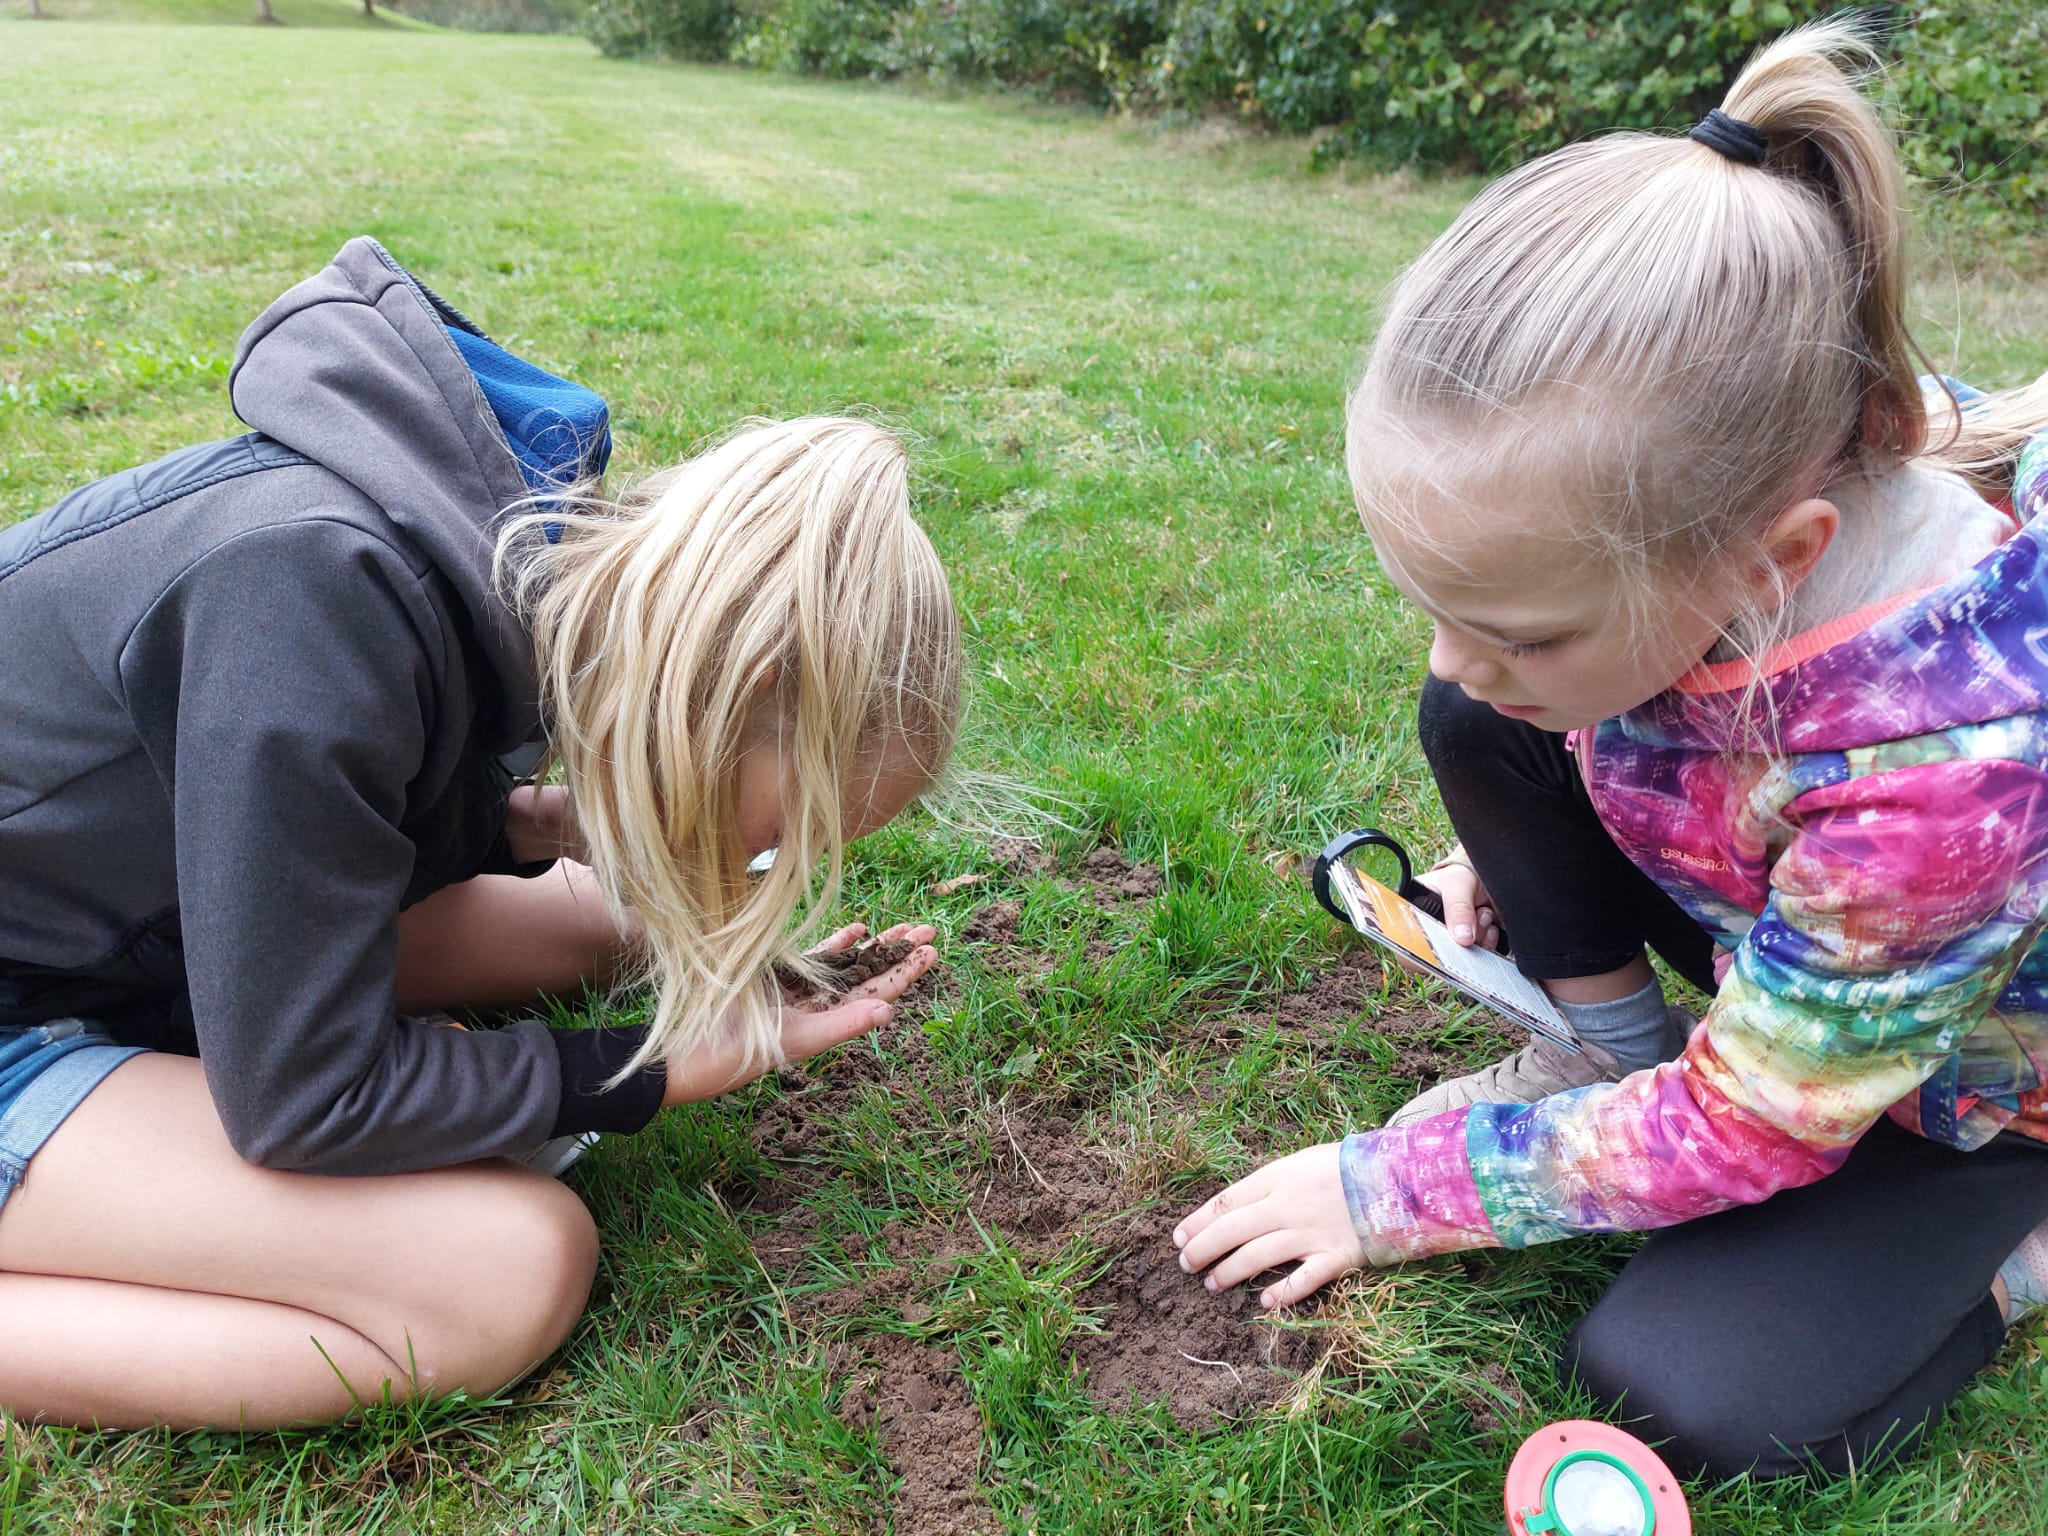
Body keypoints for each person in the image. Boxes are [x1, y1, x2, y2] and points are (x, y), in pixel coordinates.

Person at [1175, 22, 2048, 1481]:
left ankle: (2016, 1247)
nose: (1455, 654)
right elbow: (1654, 721)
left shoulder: (1941, 779)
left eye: (1521, 624)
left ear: (1779, 563)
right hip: (1806, 945)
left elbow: (1754, 1127)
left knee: (1688, 1388)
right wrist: (1540, 811)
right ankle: (1600, 1054)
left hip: (1972, 1090)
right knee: (1485, 724)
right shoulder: (1747, 457)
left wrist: (1384, 1192)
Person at [0, 237, 956, 1431]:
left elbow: (340, 818)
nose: (757, 876)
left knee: (602, 915)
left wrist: (564, 847)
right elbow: (307, 1097)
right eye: (766, 841)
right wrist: (647, 1070)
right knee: (503, 1269)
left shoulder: (492, 555)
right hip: (35, 1000)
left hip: (117, 921)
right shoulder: (312, 602)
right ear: (735, 687)